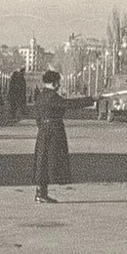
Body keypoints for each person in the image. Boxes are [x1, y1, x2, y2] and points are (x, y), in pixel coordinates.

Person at [32, 70, 94, 203]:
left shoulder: (41, 96)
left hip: (43, 131)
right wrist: (92, 99)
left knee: (42, 162)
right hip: (54, 132)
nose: (59, 85)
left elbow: (37, 117)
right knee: (52, 162)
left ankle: (40, 192)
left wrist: (43, 127)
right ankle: (42, 194)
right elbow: (70, 104)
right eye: (58, 82)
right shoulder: (52, 97)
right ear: (54, 83)